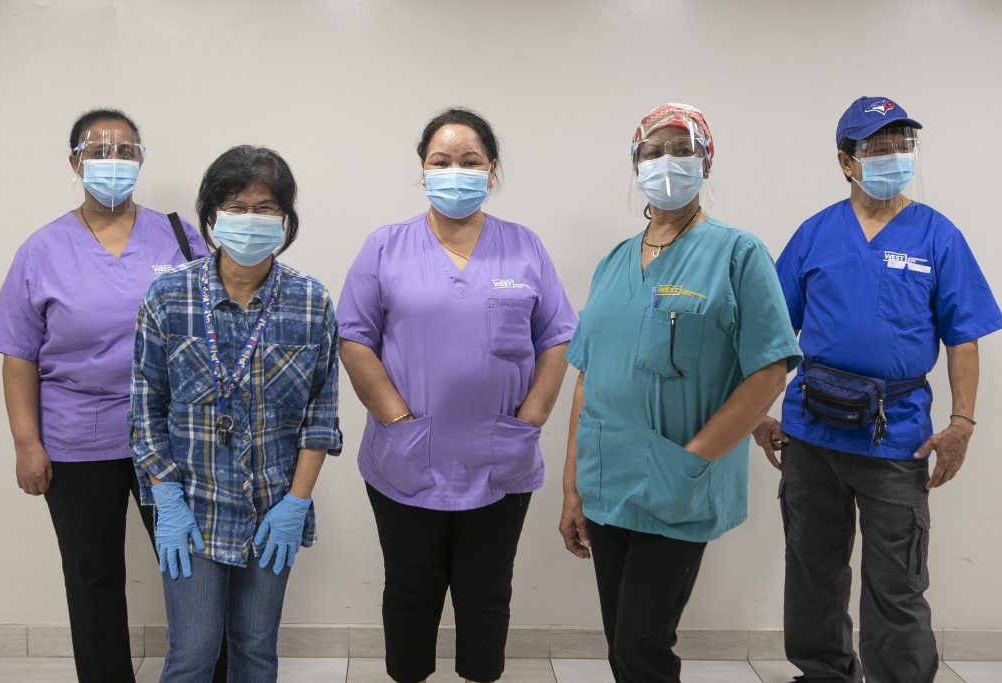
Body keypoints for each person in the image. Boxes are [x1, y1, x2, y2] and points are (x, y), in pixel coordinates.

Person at [753, 96, 1002, 683]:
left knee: (897, 580)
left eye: (903, 145)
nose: (895, 157)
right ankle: (822, 672)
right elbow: (771, 333)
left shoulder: (938, 236)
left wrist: (962, 424)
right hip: (811, 431)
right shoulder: (816, 234)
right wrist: (761, 410)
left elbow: (963, 337)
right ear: (845, 160)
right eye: (878, 148)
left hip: (898, 437)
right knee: (812, 570)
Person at [559, 102, 802, 683]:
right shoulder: (613, 262)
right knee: (621, 641)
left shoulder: (738, 254)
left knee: (644, 646)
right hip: (605, 480)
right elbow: (587, 376)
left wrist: (690, 462)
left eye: (681, 150)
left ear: (706, 162)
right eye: (652, 151)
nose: (666, 162)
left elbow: (769, 371)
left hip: (677, 483)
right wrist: (571, 486)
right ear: (635, 164)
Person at [338, 107, 577, 683]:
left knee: (487, 591)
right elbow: (353, 336)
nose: (456, 172)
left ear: (490, 170)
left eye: (470, 161)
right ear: (422, 170)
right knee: (410, 590)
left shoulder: (523, 246)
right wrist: (395, 418)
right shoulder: (386, 246)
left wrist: (534, 415)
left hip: (501, 456)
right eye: (441, 161)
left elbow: (558, 335)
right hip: (406, 456)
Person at [0, 109, 208, 683]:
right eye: (98, 149)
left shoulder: (179, 238)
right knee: (93, 576)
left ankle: (208, 671)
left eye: (126, 150)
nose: (113, 160)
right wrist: (26, 442)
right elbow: (19, 355)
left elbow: (215, 332)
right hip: (78, 439)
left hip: (173, 439)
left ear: (140, 160)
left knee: (193, 571)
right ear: (74, 162)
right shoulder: (42, 250)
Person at [129, 145, 341, 682]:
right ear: (211, 217)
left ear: (287, 219)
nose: (250, 219)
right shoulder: (168, 296)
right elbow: (146, 406)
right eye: (236, 206)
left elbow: (322, 415)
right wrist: (166, 498)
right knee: (193, 653)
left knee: (255, 650)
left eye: (265, 207)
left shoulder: (311, 302)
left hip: (272, 509)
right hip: (193, 507)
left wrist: (296, 503)